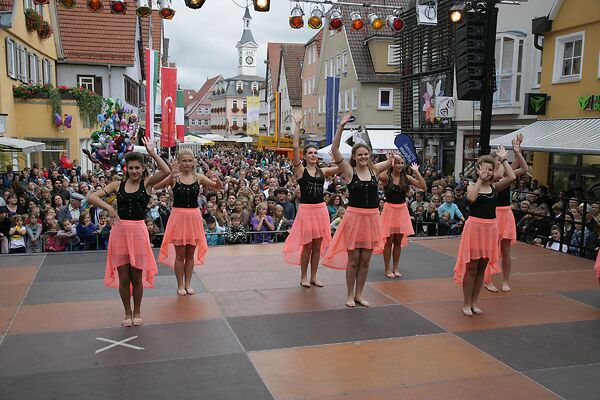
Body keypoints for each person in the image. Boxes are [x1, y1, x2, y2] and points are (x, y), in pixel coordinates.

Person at [88, 137, 170, 327]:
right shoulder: (117, 185)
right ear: (126, 169)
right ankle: (127, 312)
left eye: (137, 168)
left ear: (142, 168)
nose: (134, 171)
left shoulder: (147, 184)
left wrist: (152, 153)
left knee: (137, 277)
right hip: (120, 233)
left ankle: (138, 311)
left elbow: (166, 171)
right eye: (131, 168)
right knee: (124, 277)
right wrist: (108, 209)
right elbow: (92, 197)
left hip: (138, 233)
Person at [321, 113, 394, 307]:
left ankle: (360, 294)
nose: (363, 157)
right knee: (353, 260)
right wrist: (341, 127)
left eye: (365, 154)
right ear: (354, 157)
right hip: (354, 219)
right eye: (359, 154)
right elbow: (335, 150)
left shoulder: (374, 170)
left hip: (371, 219)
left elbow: (392, 161)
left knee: (365, 261)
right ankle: (349, 294)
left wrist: (394, 157)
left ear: (369, 156)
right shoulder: (348, 171)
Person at [453, 146, 515, 316]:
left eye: (490, 168)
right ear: (478, 169)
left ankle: (474, 302)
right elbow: (471, 199)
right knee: (471, 267)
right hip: (474, 229)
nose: (487, 171)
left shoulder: (495, 187)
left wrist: (503, 159)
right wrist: (480, 180)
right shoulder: (472, 186)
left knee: (482, 268)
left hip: (490, 229)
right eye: (483, 168)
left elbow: (512, 176)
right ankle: (466, 303)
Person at [282, 112, 339, 288]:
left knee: (317, 246)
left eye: (315, 152)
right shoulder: (301, 170)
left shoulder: (324, 171)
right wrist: (298, 125)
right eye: (310, 153)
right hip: (307, 211)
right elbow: (295, 147)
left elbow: (342, 167)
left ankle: (314, 276)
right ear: (305, 156)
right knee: (306, 247)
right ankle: (304, 276)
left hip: (320, 210)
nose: (313, 155)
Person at [157, 149, 223, 296]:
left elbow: (218, 187)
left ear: (194, 162)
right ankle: (180, 284)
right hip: (179, 217)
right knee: (180, 255)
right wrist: (170, 176)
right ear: (179, 162)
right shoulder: (175, 177)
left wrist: (217, 178)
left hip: (193, 217)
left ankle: (188, 283)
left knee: (190, 255)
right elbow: (156, 187)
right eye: (184, 161)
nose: (187, 163)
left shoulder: (198, 177)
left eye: (190, 160)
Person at [484, 134, 529, 292]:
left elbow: (523, 168)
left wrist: (517, 151)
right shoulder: (490, 176)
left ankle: (505, 280)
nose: (500, 158)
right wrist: (503, 160)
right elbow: (499, 174)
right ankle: (487, 279)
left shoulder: (506, 170)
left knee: (505, 250)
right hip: (493, 214)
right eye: (496, 157)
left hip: (506, 213)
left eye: (500, 157)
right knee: (490, 249)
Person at [374, 155, 426, 278]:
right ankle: (387, 268)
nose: (400, 165)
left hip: (402, 210)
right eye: (397, 163)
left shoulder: (406, 178)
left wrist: (416, 171)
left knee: (398, 241)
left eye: (402, 163)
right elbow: (378, 173)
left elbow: (423, 186)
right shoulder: (387, 177)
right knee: (388, 241)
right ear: (393, 164)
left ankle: (395, 267)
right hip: (390, 210)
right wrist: (388, 163)